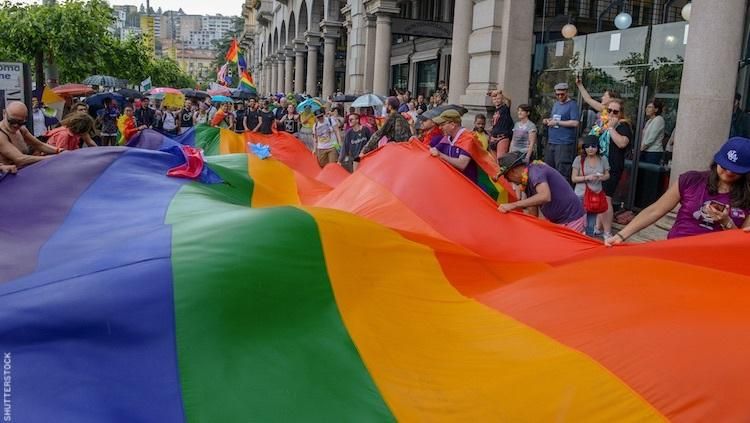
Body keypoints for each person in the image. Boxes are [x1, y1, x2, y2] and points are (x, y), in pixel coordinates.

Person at [606, 137, 750, 245]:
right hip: (678, 250)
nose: (729, 172)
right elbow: (655, 210)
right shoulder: (692, 180)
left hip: (715, 260)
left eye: (736, 170)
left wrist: (727, 222)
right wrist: (621, 236)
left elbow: (744, 242)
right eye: (725, 166)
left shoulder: (747, 195)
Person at [498, 151, 587, 232]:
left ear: (513, 172)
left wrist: (513, 205)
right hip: (557, 221)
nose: (509, 181)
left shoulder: (535, 172)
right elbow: (533, 209)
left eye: (507, 177)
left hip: (572, 219)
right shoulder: (526, 180)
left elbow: (545, 196)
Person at [598, 98, 633, 238]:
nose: (612, 113)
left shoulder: (623, 126)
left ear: (621, 113)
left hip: (613, 167)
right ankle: (597, 227)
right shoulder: (604, 123)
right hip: (600, 166)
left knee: (606, 198)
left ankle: (607, 231)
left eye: (615, 111)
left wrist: (611, 128)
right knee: (599, 197)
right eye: (609, 110)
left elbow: (622, 143)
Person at [429, 109, 483, 185]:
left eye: (442, 124)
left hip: (467, 185)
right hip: (452, 183)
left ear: (452, 125)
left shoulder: (468, 138)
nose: (440, 127)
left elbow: (462, 164)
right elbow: (433, 150)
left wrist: (440, 155)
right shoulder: (448, 137)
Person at [0, 101, 61, 168]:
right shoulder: (1, 134)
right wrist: (53, 158)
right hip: (9, 173)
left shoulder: (21, 130)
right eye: (12, 121)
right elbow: (20, 159)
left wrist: (59, 150)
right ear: (4, 113)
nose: (16, 125)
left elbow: (39, 145)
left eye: (20, 122)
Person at [572, 135, 611, 236]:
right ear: (584, 147)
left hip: (595, 195)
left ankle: (588, 239)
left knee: (591, 223)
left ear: (598, 147)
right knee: (578, 222)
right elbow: (573, 178)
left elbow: (607, 175)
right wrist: (587, 177)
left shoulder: (603, 159)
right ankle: (575, 239)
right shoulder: (579, 159)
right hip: (580, 194)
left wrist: (602, 177)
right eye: (587, 146)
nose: (590, 149)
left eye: (593, 146)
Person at [543, 82, 579, 183]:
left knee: (562, 171)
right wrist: (548, 120)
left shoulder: (572, 105)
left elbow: (575, 123)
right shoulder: (556, 104)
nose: (559, 96)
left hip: (564, 143)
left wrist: (557, 122)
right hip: (552, 141)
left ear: (567, 92)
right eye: (557, 94)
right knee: (549, 169)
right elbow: (555, 118)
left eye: (562, 94)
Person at [488, 90, 514, 158]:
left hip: (502, 137)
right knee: (493, 161)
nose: (496, 101)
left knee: (500, 159)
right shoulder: (495, 111)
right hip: (493, 137)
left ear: (502, 99)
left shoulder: (505, 108)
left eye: (498, 99)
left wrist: (499, 92)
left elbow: (508, 101)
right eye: (494, 99)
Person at [640, 99, 665, 164]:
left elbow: (651, 138)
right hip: (645, 151)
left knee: (649, 170)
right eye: (647, 107)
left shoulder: (659, 119)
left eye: (650, 107)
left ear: (656, 109)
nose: (647, 109)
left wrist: (640, 149)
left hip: (653, 152)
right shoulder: (649, 121)